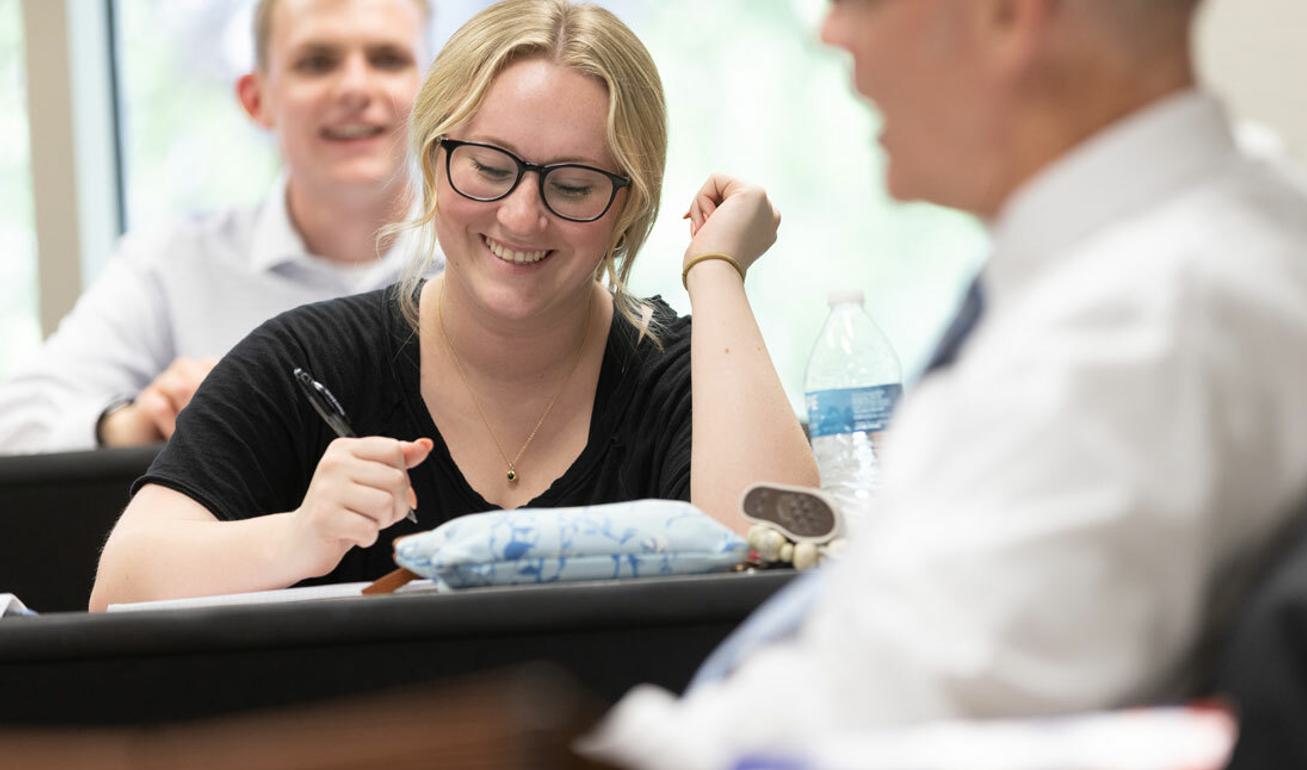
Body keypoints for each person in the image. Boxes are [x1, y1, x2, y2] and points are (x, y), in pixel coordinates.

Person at [580, 0, 1307, 767]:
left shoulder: (1137, 343)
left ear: (1010, 16)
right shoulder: (1288, 243)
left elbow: (874, 715)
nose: (834, 34)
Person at [87, 0, 817, 611]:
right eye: (489, 169)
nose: (522, 217)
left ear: (630, 208)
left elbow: (786, 565)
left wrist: (717, 272)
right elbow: (118, 588)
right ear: (434, 162)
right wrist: (297, 537)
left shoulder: (676, 372)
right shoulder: (306, 360)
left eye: (573, 186)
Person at [0, 0, 430, 453]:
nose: (355, 88)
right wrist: (132, 424)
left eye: (387, 59)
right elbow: (15, 424)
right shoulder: (169, 264)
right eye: (317, 63)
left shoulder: (490, 257)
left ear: (437, 91)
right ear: (255, 99)